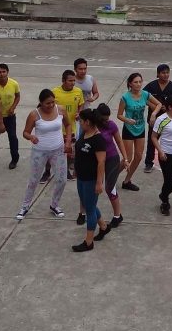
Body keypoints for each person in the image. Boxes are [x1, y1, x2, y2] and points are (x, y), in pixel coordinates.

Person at [16, 89, 72, 221]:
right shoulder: (34, 115)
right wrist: (31, 137)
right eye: (47, 103)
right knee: (34, 180)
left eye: (53, 102)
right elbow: (25, 132)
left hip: (58, 150)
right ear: (40, 103)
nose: (51, 105)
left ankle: (55, 205)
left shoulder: (61, 110)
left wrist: (68, 141)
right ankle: (25, 206)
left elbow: (68, 125)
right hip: (39, 151)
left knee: (61, 179)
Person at [72, 107, 108, 251]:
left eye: (81, 121)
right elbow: (80, 154)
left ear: (87, 122)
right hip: (81, 177)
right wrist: (75, 169)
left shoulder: (98, 139)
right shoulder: (85, 134)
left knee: (90, 209)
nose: (79, 123)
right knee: (88, 205)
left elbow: (101, 162)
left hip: (91, 179)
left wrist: (99, 182)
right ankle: (104, 227)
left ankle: (88, 242)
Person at [117, 72, 160, 191]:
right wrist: (127, 120)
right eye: (135, 82)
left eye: (140, 82)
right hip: (129, 129)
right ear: (130, 84)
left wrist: (153, 114)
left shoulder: (145, 94)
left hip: (140, 128)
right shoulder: (125, 97)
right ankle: (112, 175)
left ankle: (127, 180)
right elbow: (119, 115)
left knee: (139, 156)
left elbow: (159, 104)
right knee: (128, 158)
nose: (138, 84)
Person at [143, 63, 172, 172]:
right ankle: (149, 163)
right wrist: (155, 107)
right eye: (163, 73)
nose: (165, 75)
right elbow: (144, 98)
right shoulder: (151, 86)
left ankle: (170, 162)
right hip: (154, 119)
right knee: (152, 140)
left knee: (170, 140)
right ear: (158, 74)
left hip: (169, 119)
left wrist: (169, 108)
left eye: (167, 72)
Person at [96, 103, 127, 229]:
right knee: (95, 185)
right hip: (97, 160)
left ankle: (117, 215)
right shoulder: (93, 125)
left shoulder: (111, 125)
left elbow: (119, 141)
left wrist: (125, 158)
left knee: (110, 187)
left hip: (112, 158)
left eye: (108, 118)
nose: (107, 121)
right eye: (105, 118)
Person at [54, 69, 86, 181]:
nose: (72, 83)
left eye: (74, 81)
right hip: (58, 128)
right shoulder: (55, 92)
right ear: (63, 81)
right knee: (56, 151)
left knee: (69, 151)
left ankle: (66, 170)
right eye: (70, 81)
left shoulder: (78, 91)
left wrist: (79, 112)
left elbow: (81, 104)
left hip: (71, 126)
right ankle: (49, 171)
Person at [0, 63, 21, 170]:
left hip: (10, 116)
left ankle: (14, 159)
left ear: (7, 72)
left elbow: (17, 96)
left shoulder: (14, 84)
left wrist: (13, 107)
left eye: (4, 72)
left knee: (12, 138)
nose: (1, 74)